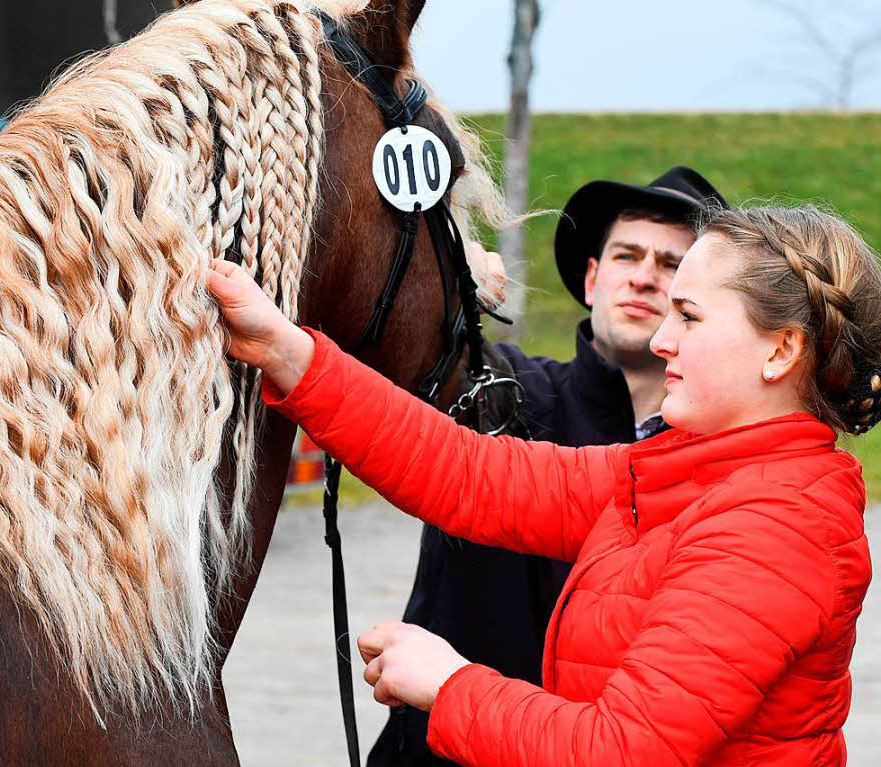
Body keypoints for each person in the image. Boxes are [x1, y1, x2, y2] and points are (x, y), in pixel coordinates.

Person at [207, 203, 880, 766]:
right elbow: (474, 476)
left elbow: (620, 750)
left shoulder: (777, 527)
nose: (663, 339)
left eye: (691, 316)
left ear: (781, 350)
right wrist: (289, 355)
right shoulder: (684, 475)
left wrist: (449, 684)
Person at [370, 166, 727, 766]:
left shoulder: (722, 468)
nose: (643, 277)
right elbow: (405, 342)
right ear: (592, 278)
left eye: (670, 266)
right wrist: (446, 278)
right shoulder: (499, 391)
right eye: (627, 255)